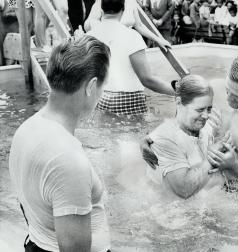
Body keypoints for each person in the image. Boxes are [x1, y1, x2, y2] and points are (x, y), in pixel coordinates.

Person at [9, 35, 111, 252]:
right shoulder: (68, 159)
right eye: (103, 87)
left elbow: (27, 206)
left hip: (36, 242)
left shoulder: (25, 130)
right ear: (91, 87)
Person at [141, 54, 238, 185]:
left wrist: (235, 166)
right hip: (207, 179)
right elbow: (183, 115)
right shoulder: (213, 88)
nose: (229, 100)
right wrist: (153, 137)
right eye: (227, 90)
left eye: (237, 98)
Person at [146, 75, 227, 199]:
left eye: (209, 109)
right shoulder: (164, 139)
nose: (206, 116)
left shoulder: (206, 126)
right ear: (179, 103)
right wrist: (215, 151)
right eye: (200, 110)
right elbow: (184, 190)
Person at [87, 0, 174, 115]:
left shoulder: (91, 36)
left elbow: (140, 25)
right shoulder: (132, 36)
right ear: (123, 11)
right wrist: (179, 91)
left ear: (102, 11)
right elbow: (148, 80)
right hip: (129, 97)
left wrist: (158, 39)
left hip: (102, 96)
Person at [85, 0, 171, 51]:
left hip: (127, 45)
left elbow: (139, 26)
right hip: (107, 46)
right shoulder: (103, 1)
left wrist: (158, 39)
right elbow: (88, 25)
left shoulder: (132, 2)